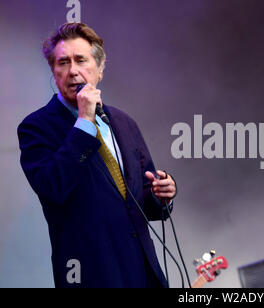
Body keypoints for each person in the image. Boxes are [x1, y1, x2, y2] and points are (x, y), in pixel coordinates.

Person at [17, 23, 177, 288]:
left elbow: (141, 200)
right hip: (90, 275)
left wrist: (163, 194)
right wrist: (84, 122)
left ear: (100, 69)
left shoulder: (124, 123)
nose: (73, 71)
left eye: (81, 60)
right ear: (53, 72)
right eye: (63, 62)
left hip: (143, 273)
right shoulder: (36, 127)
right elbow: (52, 187)